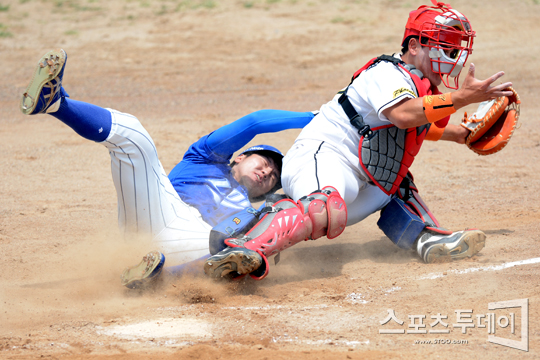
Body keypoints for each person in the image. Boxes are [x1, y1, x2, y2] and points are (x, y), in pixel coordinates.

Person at [204, 0, 514, 280]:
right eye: (445, 48)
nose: (452, 58)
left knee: (396, 179)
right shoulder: (388, 73)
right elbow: (405, 115)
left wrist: (458, 135)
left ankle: (425, 238)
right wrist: (460, 98)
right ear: (416, 46)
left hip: (363, 179)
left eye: (455, 51)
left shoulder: (423, 91)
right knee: (323, 207)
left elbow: (415, 127)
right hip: (326, 157)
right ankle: (245, 247)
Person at [20, 48, 315, 288]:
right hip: (157, 211)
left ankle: (148, 278)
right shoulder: (205, 158)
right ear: (240, 157)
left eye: (273, 177)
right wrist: (314, 118)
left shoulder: (253, 215)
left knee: (234, 249)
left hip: (185, 249)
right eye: (264, 163)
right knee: (134, 137)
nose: (267, 173)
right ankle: (57, 103)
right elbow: (256, 122)